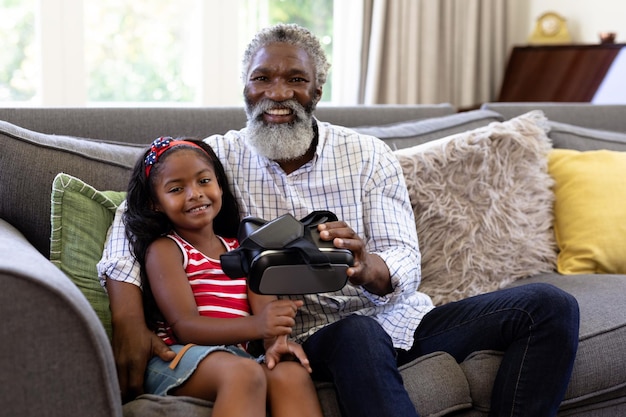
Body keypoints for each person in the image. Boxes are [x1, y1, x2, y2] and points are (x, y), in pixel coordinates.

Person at [98, 23, 580, 417]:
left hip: (398, 320)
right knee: (357, 333)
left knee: (549, 306)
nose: (277, 94)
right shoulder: (216, 158)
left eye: (295, 80)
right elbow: (133, 214)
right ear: (245, 87)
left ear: (317, 90)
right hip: (316, 333)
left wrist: (367, 265)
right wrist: (126, 318)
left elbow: (404, 256)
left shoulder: (368, 156)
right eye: (262, 78)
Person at [121, 136, 323, 417]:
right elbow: (185, 325)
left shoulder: (243, 250)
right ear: (156, 203)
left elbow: (267, 318)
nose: (194, 194)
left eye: (204, 181)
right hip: (178, 357)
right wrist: (258, 326)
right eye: (177, 189)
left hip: (235, 358)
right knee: (245, 373)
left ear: (219, 185)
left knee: (290, 374)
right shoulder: (167, 249)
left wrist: (276, 341)